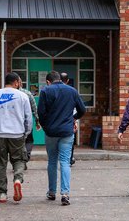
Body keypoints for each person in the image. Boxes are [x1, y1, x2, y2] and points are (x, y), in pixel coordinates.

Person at [0, 73, 32, 203]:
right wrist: (26, 134)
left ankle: (3, 194)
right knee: (19, 160)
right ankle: (17, 179)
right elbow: (28, 118)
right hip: (17, 134)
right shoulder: (23, 96)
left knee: (0, 162)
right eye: (19, 82)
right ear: (16, 82)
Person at [38, 70, 86, 206]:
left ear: (48, 81)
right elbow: (82, 110)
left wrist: (46, 127)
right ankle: (65, 194)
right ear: (60, 79)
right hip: (66, 132)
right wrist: (73, 118)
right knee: (65, 162)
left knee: (52, 162)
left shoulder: (46, 91)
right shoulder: (72, 91)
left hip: (51, 132)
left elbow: (41, 113)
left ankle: (52, 192)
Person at [12, 76, 40, 168]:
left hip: (13, 123)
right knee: (28, 140)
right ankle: (25, 157)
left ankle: (18, 162)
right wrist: (37, 121)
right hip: (26, 122)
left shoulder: (8, 94)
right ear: (20, 83)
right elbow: (34, 108)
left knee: (16, 143)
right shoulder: (27, 93)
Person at [60, 72, 77, 166]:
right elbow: (78, 108)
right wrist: (75, 119)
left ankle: (63, 159)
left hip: (57, 121)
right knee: (70, 141)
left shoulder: (54, 91)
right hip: (69, 121)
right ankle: (69, 159)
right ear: (68, 80)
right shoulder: (72, 91)